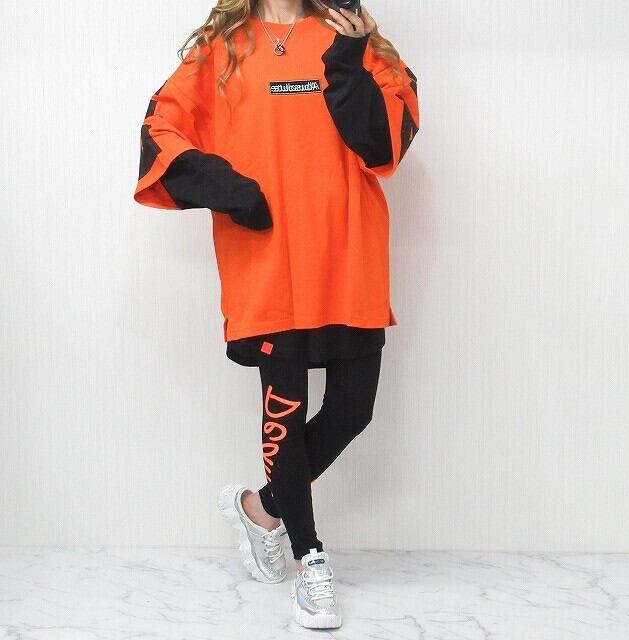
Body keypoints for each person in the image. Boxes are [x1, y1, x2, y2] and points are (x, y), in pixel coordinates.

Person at [133, 0, 419, 629]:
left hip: (347, 252)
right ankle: (310, 556)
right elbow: (159, 128)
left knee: (353, 409)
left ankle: (261, 508)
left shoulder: (354, 39)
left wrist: (347, 59)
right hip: (267, 260)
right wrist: (228, 189)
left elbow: (385, 144)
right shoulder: (222, 49)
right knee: (285, 411)